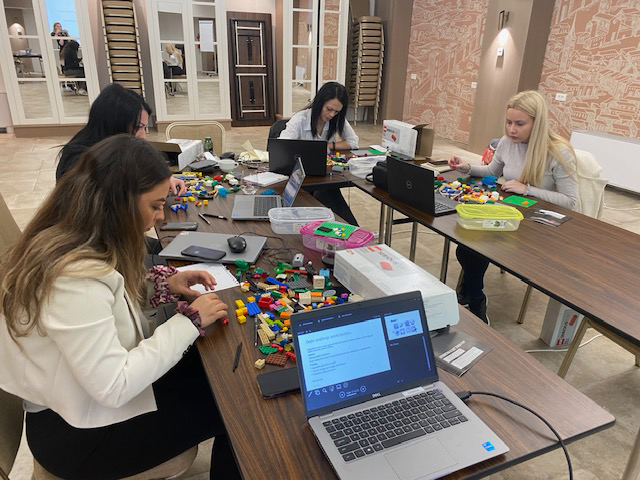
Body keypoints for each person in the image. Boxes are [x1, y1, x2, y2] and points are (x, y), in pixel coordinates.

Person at [0, 135, 241, 480]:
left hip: (79, 398)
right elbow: (113, 385)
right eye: (155, 205)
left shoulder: (76, 235)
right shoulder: (70, 278)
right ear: (119, 202)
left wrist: (160, 285)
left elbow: (103, 306)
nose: (159, 217)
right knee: (232, 407)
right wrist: (189, 321)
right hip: (77, 437)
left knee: (213, 375)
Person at [448, 90, 578, 323]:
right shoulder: (507, 143)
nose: (511, 130)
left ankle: (472, 297)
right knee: (467, 244)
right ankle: (475, 296)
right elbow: (491, 172)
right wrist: (467, 167)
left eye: (520, 123)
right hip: (510, 214)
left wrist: (528, 189)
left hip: (538, 226)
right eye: (508, 122)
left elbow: (570, 202)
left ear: (537, 123)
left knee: (476, 247)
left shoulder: (559, 152)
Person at [56, 84, 186, 196]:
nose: (143, 136)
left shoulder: (112, 148)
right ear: (116, 124)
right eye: (138, 127)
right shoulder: (80, 160)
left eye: (144, 128)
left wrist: (161, 178)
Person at [278, 81, 359, 225]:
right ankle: (347, 230)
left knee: (330, 195)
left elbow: (353, 141)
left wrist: (329, 145)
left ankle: (348, 231)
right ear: (319, 102)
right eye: (329, 109)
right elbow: (282, 145)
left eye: (336, 111)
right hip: (302, 179)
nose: (332, 114)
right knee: (327, 199)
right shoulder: (301, 119)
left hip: (325, 177)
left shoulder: (336, 119)